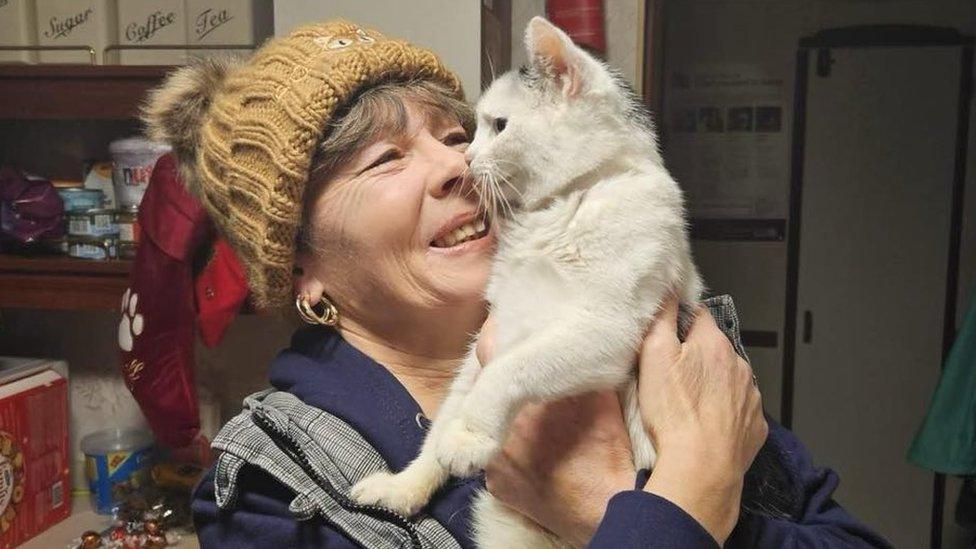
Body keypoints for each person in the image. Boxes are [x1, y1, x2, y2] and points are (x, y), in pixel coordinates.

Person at [144, 19, 891, 548]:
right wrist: (668, 505)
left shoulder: (661, 337)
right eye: (386, 159)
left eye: (455, 134)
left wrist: (625, 508)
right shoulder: (275, 483)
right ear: (300, 270)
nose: (457, 165)